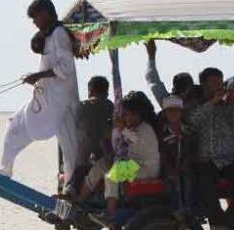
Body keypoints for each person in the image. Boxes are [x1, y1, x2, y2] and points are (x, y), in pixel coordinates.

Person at [0, 0, 80, 177]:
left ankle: (70, 185)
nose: (35, 22)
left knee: (70, 149)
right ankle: (5, 169)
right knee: (14, 124)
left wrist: (38, 76)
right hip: (46, 100)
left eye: (36, 17)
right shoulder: (49, 35)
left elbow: (66, 67)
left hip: (62, 103)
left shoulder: (59, 34)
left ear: (45, 14)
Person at [187, 67, 234, 230]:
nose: (218, 86)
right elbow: (191, 122)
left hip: (229, 159)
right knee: (205, 182)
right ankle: (218, 225)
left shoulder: (228, 106)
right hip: (206, 160)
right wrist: (211, 103)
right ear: (204, 85)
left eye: (220, 82)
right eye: (214, 82)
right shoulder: (196, 104)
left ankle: (233, 220)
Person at [79, 91, 160, 220]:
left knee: (112, 176)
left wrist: (122, 129)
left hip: (146, 168)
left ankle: (110, 213)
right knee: (101, 165)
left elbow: (136, 140)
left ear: (137, 114)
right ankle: (80, 200)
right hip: (132, 164)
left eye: (128, 114)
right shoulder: (130, 129)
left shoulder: (146, 129)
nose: (125, 117)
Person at [68, 75, 114, 193]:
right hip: (107, 156)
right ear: (107, 92)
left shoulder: (81, 107)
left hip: (83, 160)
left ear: (90, 91)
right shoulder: (110, 106)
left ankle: (72, 188)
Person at [158, 95, 197, 209]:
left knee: (187, 181)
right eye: (170, 110)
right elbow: (162, 154)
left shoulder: (189, 131)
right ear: (165, 113)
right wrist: (170, 169)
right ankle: (177, 213)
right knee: (172, 183)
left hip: (187, 167)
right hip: (167, 169)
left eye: (176, 110)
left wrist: (185, 164)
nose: (173, 113)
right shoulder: (162, 132)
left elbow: (193, 151)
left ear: (181, 112)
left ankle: (189, 212)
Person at [144, 40, 198, 109]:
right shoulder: (169, 102)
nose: (180, 99)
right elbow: (152, 79)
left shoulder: (199, 99)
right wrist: (151, 56)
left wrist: (151, 56)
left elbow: (152, 79)